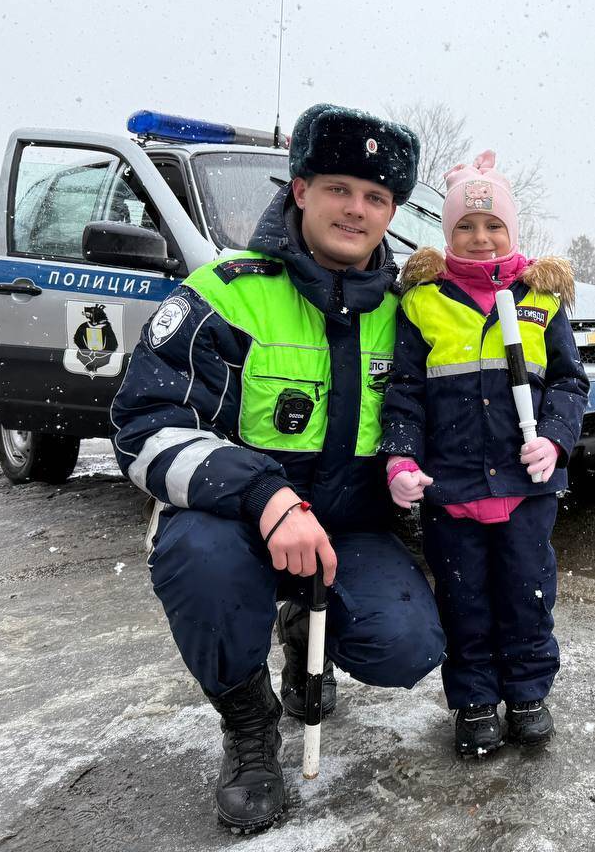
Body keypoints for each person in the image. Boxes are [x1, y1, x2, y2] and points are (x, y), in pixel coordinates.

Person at [111, 103, 446, 833]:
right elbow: (143, 428)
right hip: (237, 526)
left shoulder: (411, 314)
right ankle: (248, 723)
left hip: (347, 531)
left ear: (393, 210)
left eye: (377, 196)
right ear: (299, 190)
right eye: (339, 189)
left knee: (408, 644)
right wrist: (267, 496)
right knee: (200, 558)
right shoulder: (226, 292)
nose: (356, 210)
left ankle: (304, 634)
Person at [380, 150, 588, 757]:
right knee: (464, 601)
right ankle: (473, 702)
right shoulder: (422, 303)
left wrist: (555, 438)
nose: (479, 238)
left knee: (527, 595)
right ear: (446, 233)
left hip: (525, 491)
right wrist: (400, 459)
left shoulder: (542, 300)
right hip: (454, 491)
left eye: (493, 225)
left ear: (512, 230)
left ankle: (527, 693)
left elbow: (570, 384)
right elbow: (405, 394)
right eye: (464, 227)